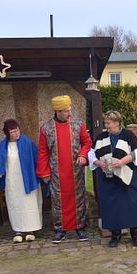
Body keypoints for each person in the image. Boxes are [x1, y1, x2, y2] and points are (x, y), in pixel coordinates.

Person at [37, 95, 93, 243]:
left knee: (79, 198)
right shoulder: (46, 129)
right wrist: (44, 172)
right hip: (56, 173)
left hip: (76, 171)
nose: (70, 113)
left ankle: (80, 228)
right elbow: (43, 151)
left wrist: (82, 154)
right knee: (58, 201)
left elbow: (87, 143)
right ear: (57, 111)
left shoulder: (78, 125)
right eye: (66, 111)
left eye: (70, 109)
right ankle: (59, 230)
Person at [88, 111, 137, 247]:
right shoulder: (101, 137)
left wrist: (122, 162)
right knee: (111, 207)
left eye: (108, 123)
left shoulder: (128, 135)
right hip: (108, 179)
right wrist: (98, 163)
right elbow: (92, 153)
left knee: (131, 205)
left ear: (117, 122)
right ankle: (115, 235)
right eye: (105, 123)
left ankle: (136, 235)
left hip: (126, 177)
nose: (106, 125)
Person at [0, 119, 42, 243]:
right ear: (7, 133)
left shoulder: (27, 142)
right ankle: (18, 230)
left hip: (27, 179)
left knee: (29, 203)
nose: (16, 133)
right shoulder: (3, 145)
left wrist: (41, 173)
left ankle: (31, 229)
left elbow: (37, 157)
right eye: (13, 131)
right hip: (12, 180)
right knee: (15, 204)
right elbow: (0, 163)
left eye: (17, 130)